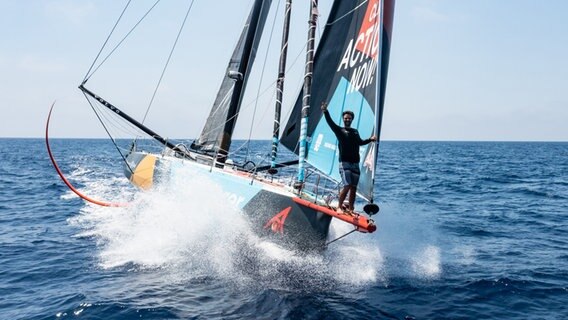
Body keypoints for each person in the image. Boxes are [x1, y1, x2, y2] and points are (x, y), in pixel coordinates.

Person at [321, 102, 376, 213]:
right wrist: (325, 111)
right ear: (343, 119)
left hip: (355, 163)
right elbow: (330, 123)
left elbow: (360, 142)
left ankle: (351, 208)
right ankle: (339, 207)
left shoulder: (355, 131)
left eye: (349, 118)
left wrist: (371, 139)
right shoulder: (339, 130)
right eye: (345, 118)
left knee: (353, 188)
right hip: (344, 163)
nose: (347, 120)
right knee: (347, 185)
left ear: (352, 120)